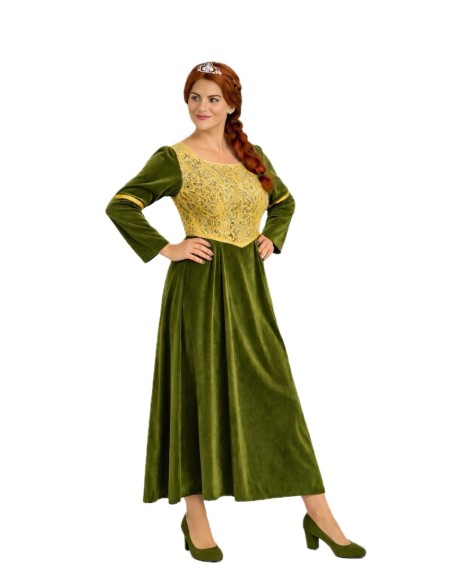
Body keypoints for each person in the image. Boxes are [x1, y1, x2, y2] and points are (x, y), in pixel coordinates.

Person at [105, 61, 366, 562]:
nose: (202, 107)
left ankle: (318, 512)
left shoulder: (253, 155)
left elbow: (284, 202)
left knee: (276, 393)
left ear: (231, 105)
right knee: (196, 391)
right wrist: (168, 248)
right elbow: (121, 204)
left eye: (212, 99)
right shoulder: (173, 158)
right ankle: (196, 516)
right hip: (198, 290)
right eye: (195, 97)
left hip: (249, 290)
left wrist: (273, 236)